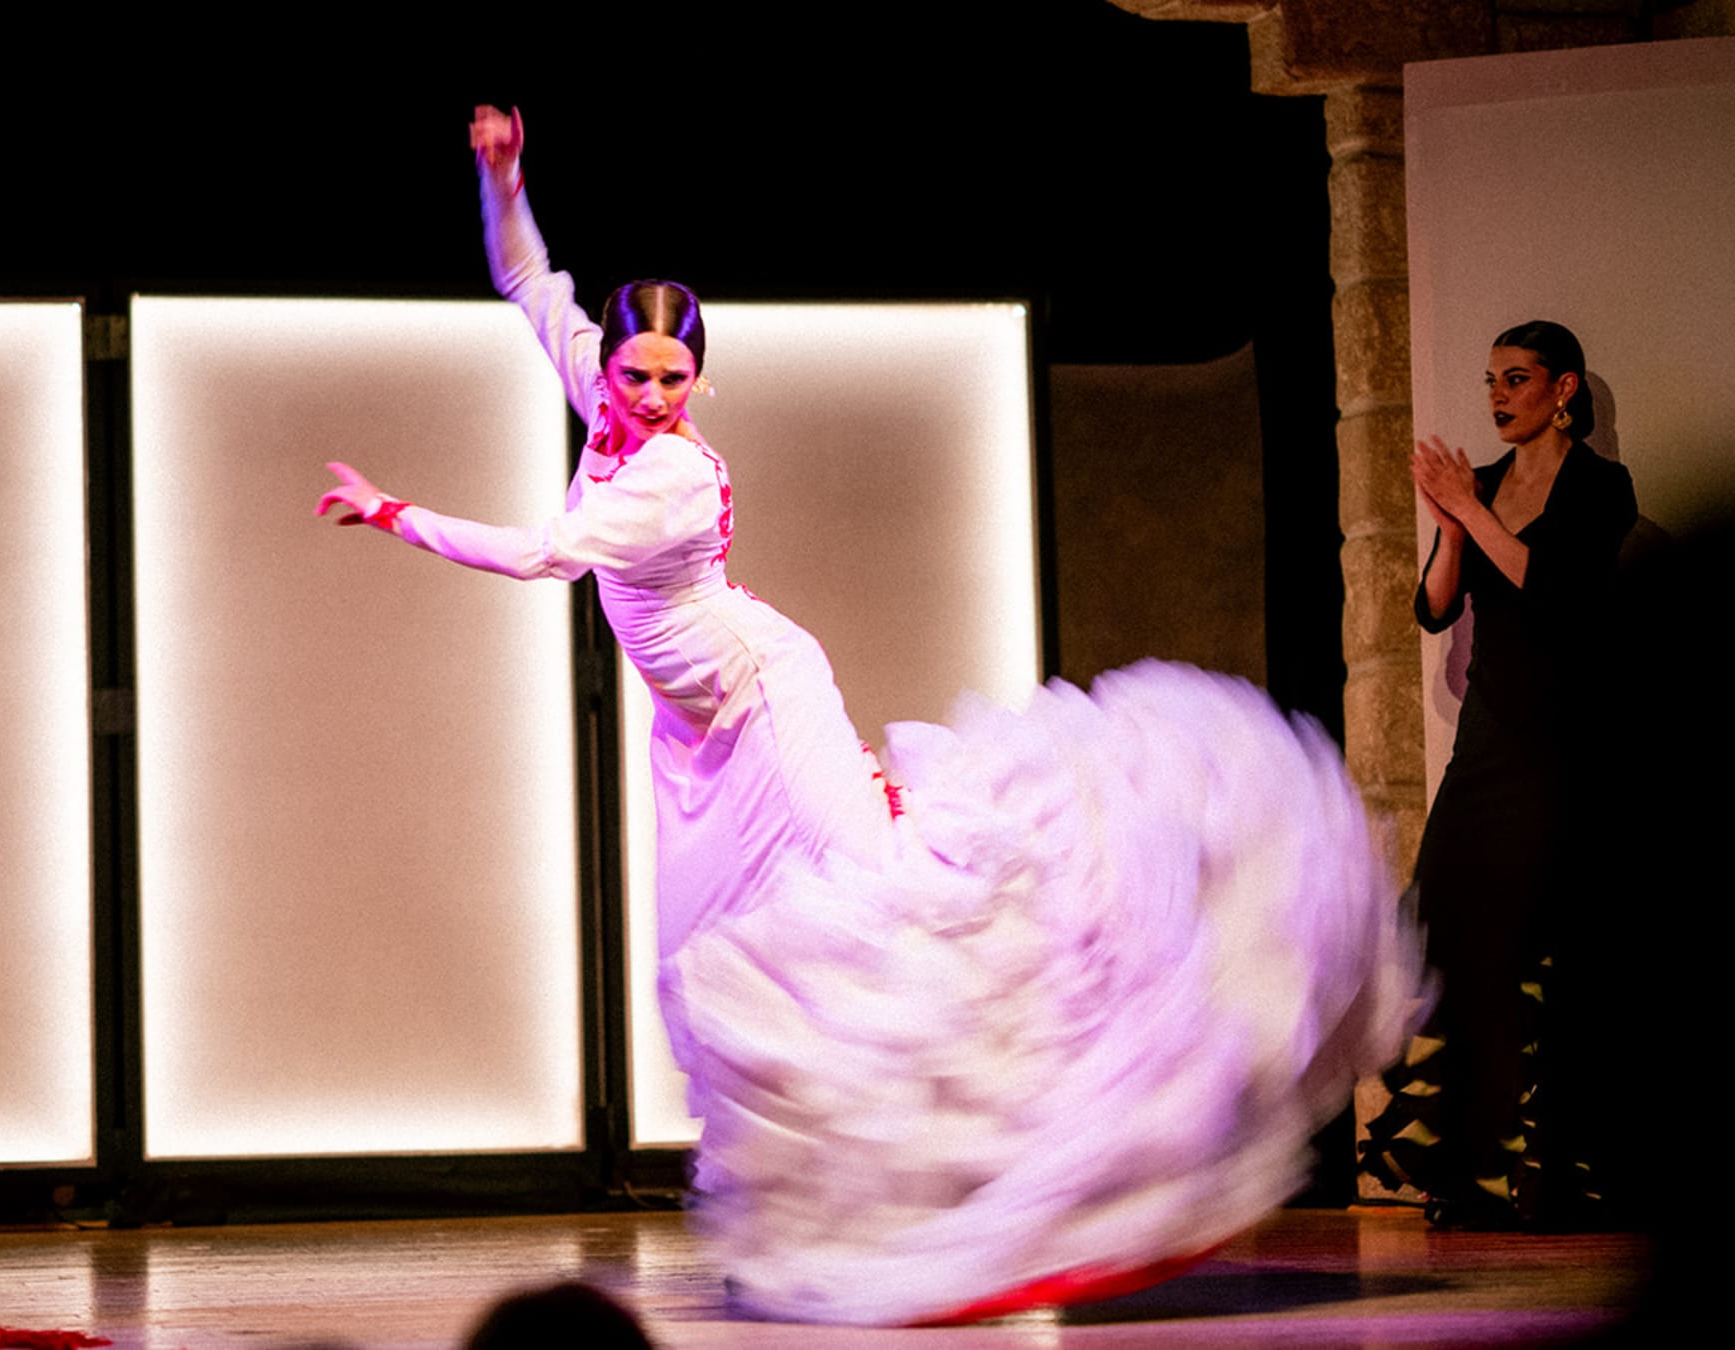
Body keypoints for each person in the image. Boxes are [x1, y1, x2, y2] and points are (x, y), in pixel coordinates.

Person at [312, 108, 1420, 1326]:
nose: (649, 397)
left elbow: (546, 554)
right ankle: (818, 1204)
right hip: (697, 742)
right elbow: (529, 280)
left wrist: (396, 513)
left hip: (768, 711)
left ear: (703, 378)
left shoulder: (673, 476)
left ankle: (1015, 1154)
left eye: (674, 380)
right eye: (634, 376)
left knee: (883, 916)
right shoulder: (600, 389)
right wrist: (505, 179)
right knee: (730, 963)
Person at [1362, 321, 1637, 1229]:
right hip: (1488, 743)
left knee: (1550, 957)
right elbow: (1434, 611)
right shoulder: (1476, 486)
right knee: (1447, 929)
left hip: (1564, 744)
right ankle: (1466, 1166)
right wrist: (1448, 525)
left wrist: (1472, 513)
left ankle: (1557, 1175)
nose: (1497, 396)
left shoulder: (1602, 487)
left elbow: (1559, 595)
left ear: (1563, 389)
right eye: (1489, 381)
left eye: (1515, 380)